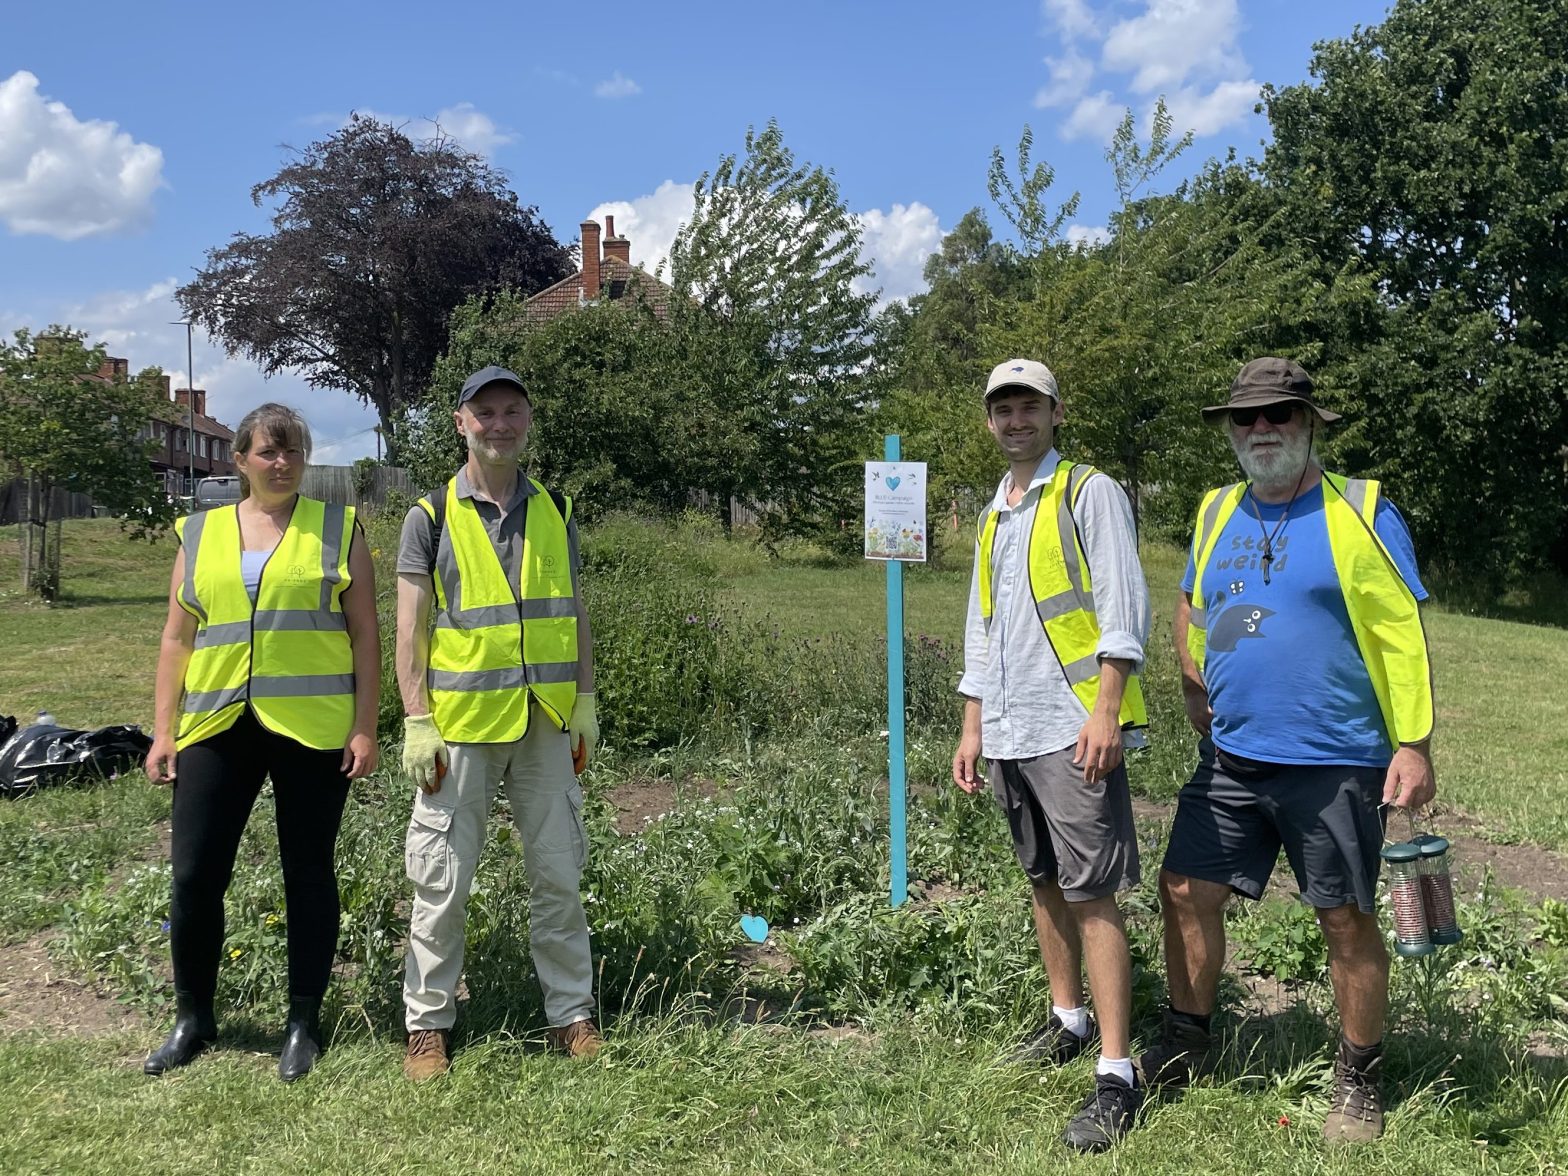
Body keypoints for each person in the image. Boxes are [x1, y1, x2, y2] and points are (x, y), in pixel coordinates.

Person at [1143, 357, 1435, 1144]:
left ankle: (1359, 1077)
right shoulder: (1216, 509)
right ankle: (1187, 1041)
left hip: (1336, 759)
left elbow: (1400, 634)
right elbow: (1193, 601)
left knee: (1342, 916)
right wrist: (1190, 678)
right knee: (1184, 890)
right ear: (1232, 431)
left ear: (1310, 425)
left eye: (1279, 415)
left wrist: (1413, 742)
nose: (1262, 430)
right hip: (1233, 756)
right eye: (1247, 418)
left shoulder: (1362, 510)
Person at [144, 403, 380, 1082]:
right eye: (268, 453)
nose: (282, 464)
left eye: (293, 452)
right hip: (216, 724)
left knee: (307, 872)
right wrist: (164, 730)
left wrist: (365, 726)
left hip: (312, 728)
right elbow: (176, 636)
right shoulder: (200, 532)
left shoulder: (338, 529)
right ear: (240, 460)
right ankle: (194, 1017)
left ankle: (302, 1022)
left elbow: (364, 633)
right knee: (194, 875)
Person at [953, 359, 1152, 1152]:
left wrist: (1106, 710)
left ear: (1056, 412)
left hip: (1073, 727)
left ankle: (1116, 1071)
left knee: (1094, 892)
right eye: (1002, 408)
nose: (1015, 420)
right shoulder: (995, 511)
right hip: (1009, 726)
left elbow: (1123, 604)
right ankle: (1066, 1020)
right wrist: (972, 725)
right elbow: (982, 624)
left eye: (1028, 405)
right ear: (990, 420)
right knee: (1045, 881)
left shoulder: (1087, 491)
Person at [396, 365, 601, 1081]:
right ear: (461, 422)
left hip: (545, 723)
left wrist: (585, 702)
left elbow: (574, 615)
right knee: (443, 878)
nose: (501, 422)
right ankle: (427, 1026)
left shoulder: (557, 510)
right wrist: (416, 718)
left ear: (528, 420)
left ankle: (569, 1016)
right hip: (461, 726)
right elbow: (410, 631)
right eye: (486, 412)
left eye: (514, 410)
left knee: (558, 873)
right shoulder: (428, 516)